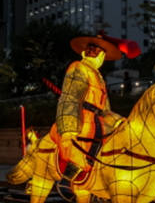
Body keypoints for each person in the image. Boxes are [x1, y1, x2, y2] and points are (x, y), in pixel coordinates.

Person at [52, 35, 124, 183]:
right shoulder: (78, 67)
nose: (94, 52)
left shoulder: (99, 77)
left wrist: (118, 121)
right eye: (91, 49)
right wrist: (68, 128)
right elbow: (70, 97)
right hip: (83, 116)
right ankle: (68, 180)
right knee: (81, 149)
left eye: (97, 50)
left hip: (100, 118)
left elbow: (105, 106)